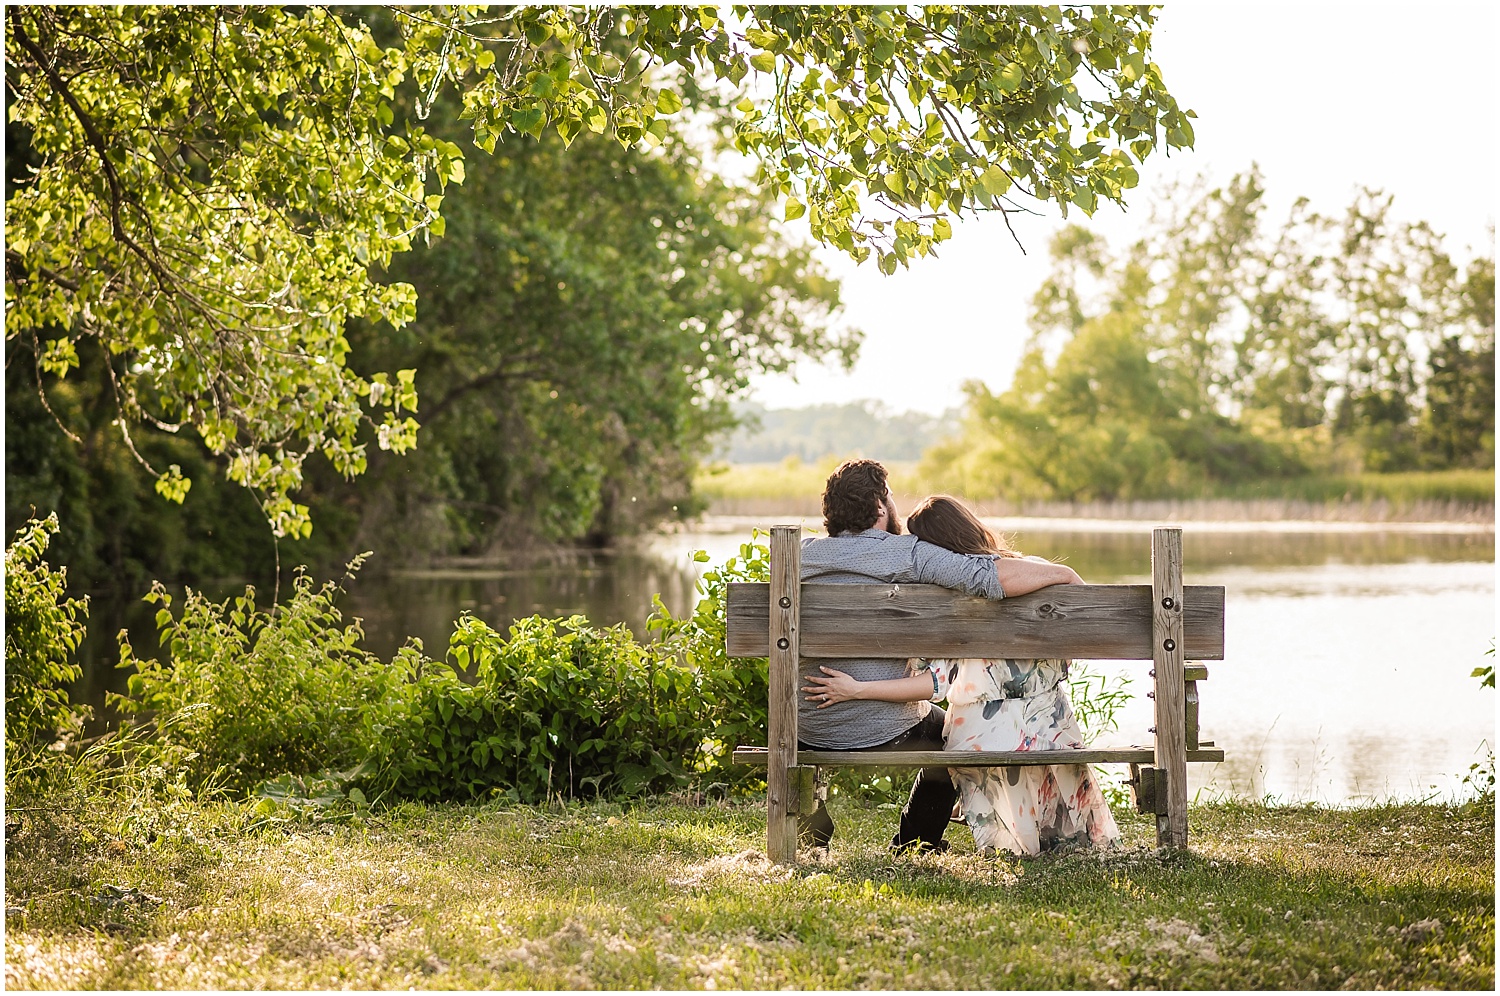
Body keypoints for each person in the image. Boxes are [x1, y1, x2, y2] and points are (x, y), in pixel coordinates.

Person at [803, 494, 1121, 857]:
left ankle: (915, 843)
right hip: (1051, 729)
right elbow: (1083, 634)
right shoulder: (1035, 572)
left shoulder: (939, 596)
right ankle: (914, 843)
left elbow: (937, 682)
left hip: (980, 735)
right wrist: (1065, 574)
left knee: (954, 737)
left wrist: (858, 690)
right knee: (952, 734)